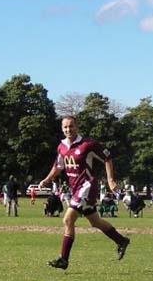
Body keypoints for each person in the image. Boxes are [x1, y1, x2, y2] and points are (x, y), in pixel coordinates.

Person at [38, 115, 130, 269]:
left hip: (87, 186)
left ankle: (63, 259)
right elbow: (58, 166)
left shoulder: (88, 144)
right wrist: (47, 179)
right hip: (76, 189)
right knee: (95, 221)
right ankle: (121, 240)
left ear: (77, 127)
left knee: (68, 220)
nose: (68, 129)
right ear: (62, 129)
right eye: (65, 127)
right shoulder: (62, 146)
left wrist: (110, 180)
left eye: (71, 126)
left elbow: (107, 157)